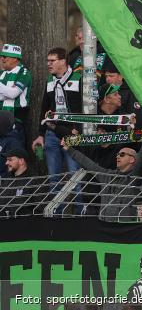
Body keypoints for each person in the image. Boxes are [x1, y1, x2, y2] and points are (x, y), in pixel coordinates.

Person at [33, 47, 83, 177]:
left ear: (63, 61)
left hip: (71, 133)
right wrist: (41, 134)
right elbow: (44, 107)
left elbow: (84, 107)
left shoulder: (78, 78)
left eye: (52, 61)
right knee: (53, 177)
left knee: (75, 176)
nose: (48, 64)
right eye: (48, 61)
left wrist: (78, 128)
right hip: (52, 132)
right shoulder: (50, 80)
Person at [63, 140, 142, 220]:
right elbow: (88, 163)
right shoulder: (107, 175)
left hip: (123, 225)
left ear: (132, 160)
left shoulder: (134, 178)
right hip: (103, 224)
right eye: (117, 154)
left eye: (122, 154)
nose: (117, 156)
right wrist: (70, 149)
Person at [0, 44, 31, 143]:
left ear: (15, 58)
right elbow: (9, 94)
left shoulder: (23, 72)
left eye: (5, 56)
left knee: (14, 150)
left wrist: (7, 92)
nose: (2, 59)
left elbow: (13, 94)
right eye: (1, 56)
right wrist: (8, 91)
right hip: (1, 120)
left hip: (15, 120)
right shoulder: (2, 73)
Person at [0, 146, 39, 217]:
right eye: (7, 160)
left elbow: (39, 209)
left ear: (21, 161)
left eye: (10, 160)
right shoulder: (6, 179)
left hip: (23, 221)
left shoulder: (34, 180)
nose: (6, 163)